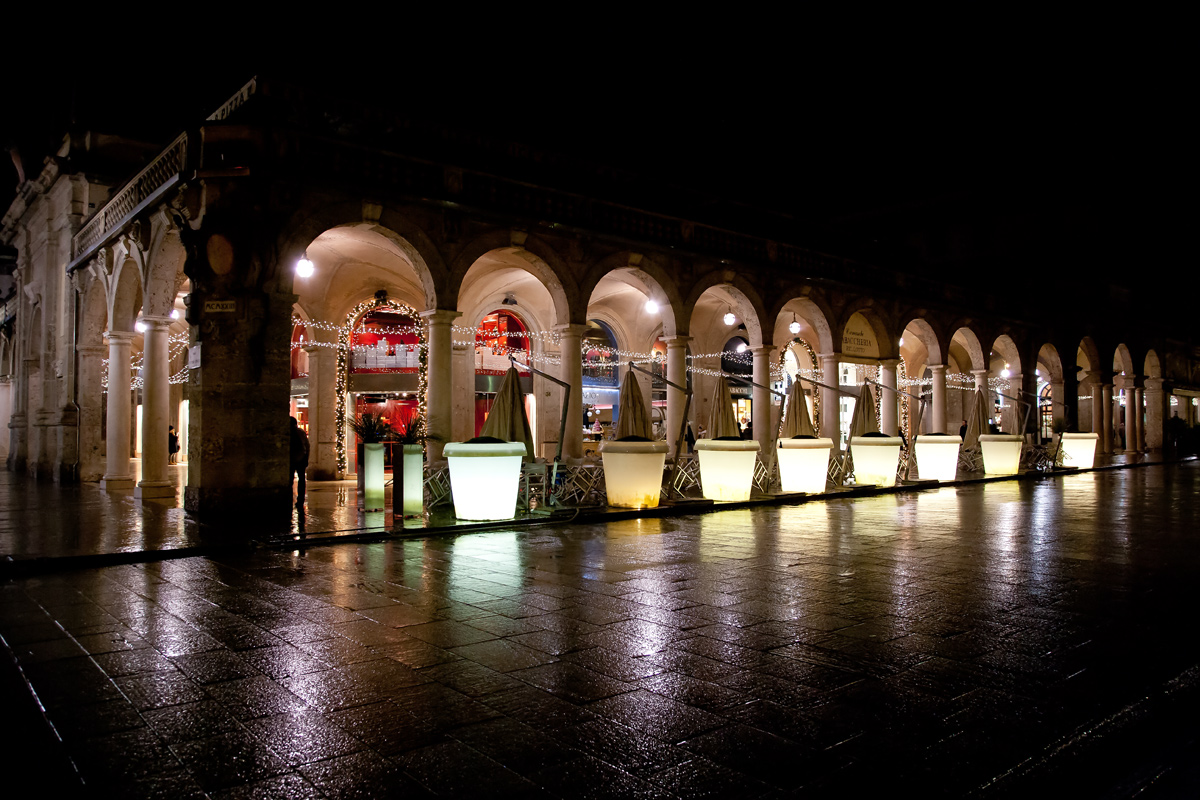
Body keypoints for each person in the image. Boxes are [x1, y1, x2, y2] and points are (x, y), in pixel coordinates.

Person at [290, 416, 309, 508]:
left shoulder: (289, 433)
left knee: (290, 480)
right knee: (301, 480)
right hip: (301, 459)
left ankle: (291, 499)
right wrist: (306, 459)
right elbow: (307, 446)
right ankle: (300, 500)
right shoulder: (301, 432)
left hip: (292, 459)